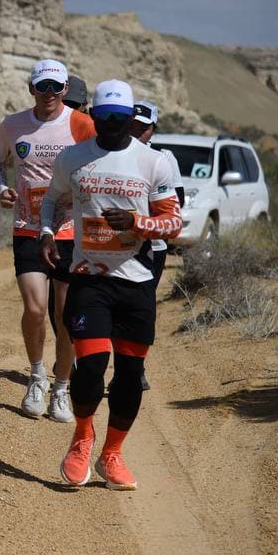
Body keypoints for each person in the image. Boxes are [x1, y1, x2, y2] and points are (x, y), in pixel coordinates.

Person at [39, 79, 181, 490]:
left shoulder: (153, 162)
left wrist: (139, 223)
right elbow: (52, 200)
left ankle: (112, 454)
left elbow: (172, 222)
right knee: (92, 367)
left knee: (130, 374)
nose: (113, 124)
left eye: (121, 118)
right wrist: (47, 233)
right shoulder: (73, 158)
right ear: (94, 117)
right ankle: (82, 437)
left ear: (132, 118)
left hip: (137, 281)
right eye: (104, 117)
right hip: (89, 278)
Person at [0, 59, 96, 422]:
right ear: (31, 89)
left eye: (55, 87)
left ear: (65, 90)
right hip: (28, 227)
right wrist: (3, 188)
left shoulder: (82, 124)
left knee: (64, 315)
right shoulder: (13, 125)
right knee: (35, 309)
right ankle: (36, 377)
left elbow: (101, 162)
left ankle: (61, 387)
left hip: (69, 231)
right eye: (42, 87)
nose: (48, 94)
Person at [112, 100, 185, 392]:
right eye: (132, 127)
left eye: (143, 128)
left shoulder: (164, 159)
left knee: (139, 308)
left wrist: (138, 220)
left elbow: (175, 205)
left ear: (153, 129)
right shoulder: (111, 154)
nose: (137, 133)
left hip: (151, 247)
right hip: (110, 246)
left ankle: (132, 370)